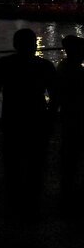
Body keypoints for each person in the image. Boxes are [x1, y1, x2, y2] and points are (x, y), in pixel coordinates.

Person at [0, 28, 57, 217]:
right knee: (36, 164)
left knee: (12, 162)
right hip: (37, 118)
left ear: (14, 45)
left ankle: (14, 202)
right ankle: (32, 203)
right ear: (34, 45)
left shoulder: (4, 64)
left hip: (12, 118)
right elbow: (55, 97)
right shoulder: (46, 66)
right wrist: (51, 118)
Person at [55, 35, 84, 211]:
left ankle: (67, 190)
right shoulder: (78, 72)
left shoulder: (61, 68)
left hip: (68, 116)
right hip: (77, 116)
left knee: (69, 154)